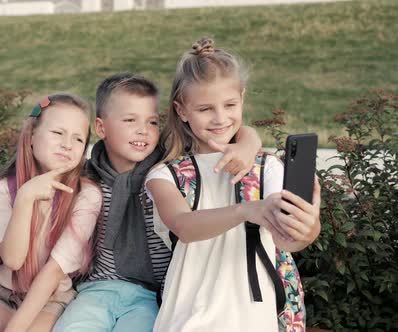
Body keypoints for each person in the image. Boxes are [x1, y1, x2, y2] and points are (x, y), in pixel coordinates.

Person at [54, 72, 263, 332]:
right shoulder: (88, 176)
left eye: (152, 122)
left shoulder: (167, 168)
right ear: (100, 128)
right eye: (130, 120)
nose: (143, 130)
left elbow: (230, 130)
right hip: (97, 288)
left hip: (153, 294)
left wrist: (248, 142)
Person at [145, 37, 321, 332]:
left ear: (242, 98)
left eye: (230, 104)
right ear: (181, 110)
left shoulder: (267, 167)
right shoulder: (165, 175)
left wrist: (308, 226)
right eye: (205, 109)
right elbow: (184, 226)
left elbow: (289, 240)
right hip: (191, 310)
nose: (220, 118)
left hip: (259, 310)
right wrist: (246, 210)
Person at [0, 93, 102, 332]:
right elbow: (13, 259)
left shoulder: (86, 195)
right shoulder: (3, 191)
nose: (67, 144)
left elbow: (53, 272)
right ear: (31, 136)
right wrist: (25, 197)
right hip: (4, 292)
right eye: (58, 133)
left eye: (78, 139)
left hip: (51, 296)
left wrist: (15, 329)